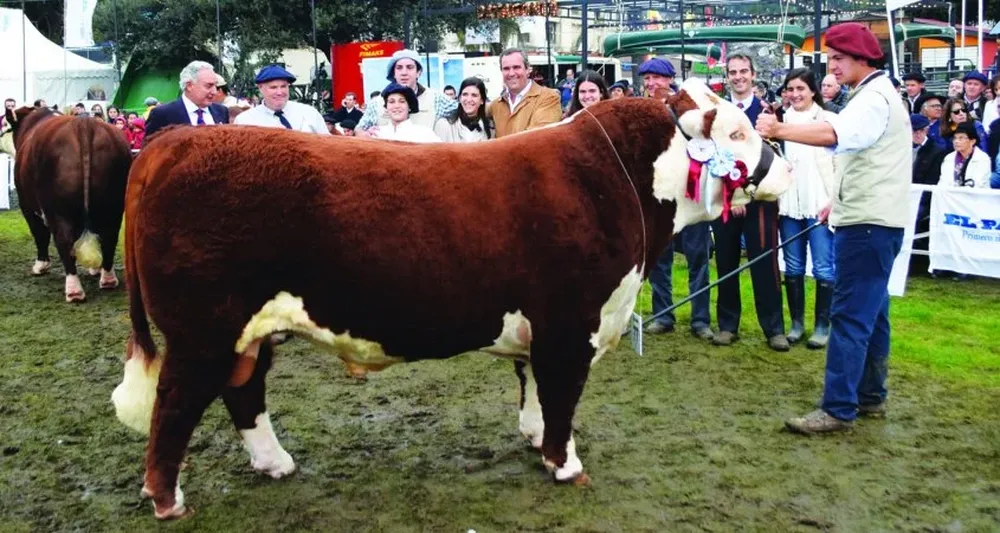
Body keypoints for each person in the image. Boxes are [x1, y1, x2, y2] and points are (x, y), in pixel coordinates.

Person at [756, 22, 911, 434]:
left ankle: (839, 408)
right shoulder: (878, 95)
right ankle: (871, 397)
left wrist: (779, 129)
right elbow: (860, 153)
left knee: (848, 317)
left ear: (863, 58)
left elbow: (833, 134)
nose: (833, 67)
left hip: (867, 225)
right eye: (832, 59)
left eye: (839, 59)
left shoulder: (873, 98)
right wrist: (836, 203)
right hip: (873, 220)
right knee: (873, 314)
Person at [712, 52, 788, 352]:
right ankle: (727, 325)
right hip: (726, 201)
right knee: (726, 261)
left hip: (761, 200)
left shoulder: (767, 113)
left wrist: (747, 191)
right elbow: (714, 157)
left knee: (765, 262)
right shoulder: (718, 114)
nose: (738, 76)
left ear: (753, 75)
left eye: (744, 71)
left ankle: (773, 328)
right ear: (727, 75)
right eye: (733, 71)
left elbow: (772, 157)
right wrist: (731, 195)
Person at [640, 57, 713, 341]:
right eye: (646, 78)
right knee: (659, 259)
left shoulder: (690, 108)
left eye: (656, 78)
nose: (651, 84)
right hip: (660, 197)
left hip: (691, 193)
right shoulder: (644, 110)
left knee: (698, 257)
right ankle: (663, 314)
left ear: (669, 79)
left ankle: (700, 319)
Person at [775, 68, 837, 349]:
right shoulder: (779, 121)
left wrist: (834, 199)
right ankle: (797, 323)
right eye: (791, 89)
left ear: (813, 90)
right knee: (793, 266)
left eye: (801, 88)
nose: (795, 94)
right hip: (789, 205)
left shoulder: (829, 120)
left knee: (824, 267)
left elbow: (842, 165)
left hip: (820, 205)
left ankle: (822, 325)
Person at [357, 49, 457, 132]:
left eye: (410, 67)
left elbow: (464, 112)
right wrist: (367, 135)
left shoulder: (435, 98)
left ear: (418, 72)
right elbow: (359, 130)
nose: (404, 73)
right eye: (399, 68)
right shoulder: (377, 103)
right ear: (394, 73)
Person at [144, 61, 229, 144]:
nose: (214, 91)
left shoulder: (222, 111)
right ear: (189, 86)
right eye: (209, 86)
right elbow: (149, 153)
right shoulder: (162, 114)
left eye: (215, 86)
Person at [488, 48, 562, 138]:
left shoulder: (548, 97)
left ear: (528, 69)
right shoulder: (496, 105)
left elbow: (538, 138)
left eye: (516, 67)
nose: (511, 73)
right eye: (506, 68)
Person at [234, 64, 329, 134]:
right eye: (273, 87)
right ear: (260, 88)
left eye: (283, 86)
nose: (279, 92)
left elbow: (327, 144)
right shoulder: (245, 121)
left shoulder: (309, 113)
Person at [367, 83, 440, 143]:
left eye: (402, 101)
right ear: (386, 108)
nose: (396, 106)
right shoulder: (377, 134)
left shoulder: (425, 134)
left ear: (409, 107)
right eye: (391, 102)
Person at [433, 77, 492, 142]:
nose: (469, 99)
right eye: (465, 94)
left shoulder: (490, 128)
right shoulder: (444, 125)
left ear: (482, 100)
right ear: (460, 98)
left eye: (474, 95)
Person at [939, 121, 992, 189]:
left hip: (975, 197)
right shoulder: (948, 158)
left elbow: (977, 184)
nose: (956, 141)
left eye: (961, 138)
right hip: (950, 197)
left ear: (972, 141)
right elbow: (943, 183)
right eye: (955, 138)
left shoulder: (982, 159)